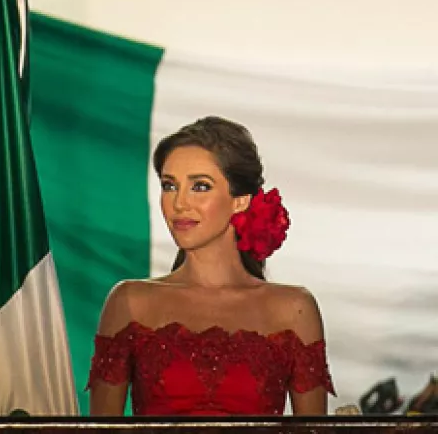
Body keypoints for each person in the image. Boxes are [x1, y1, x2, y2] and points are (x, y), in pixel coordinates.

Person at [88, 116, 335, 416]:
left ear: (241, 201)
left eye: (200, 186)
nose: (179, 203)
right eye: (169, 186)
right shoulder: (129, 302)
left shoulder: (293, 309)